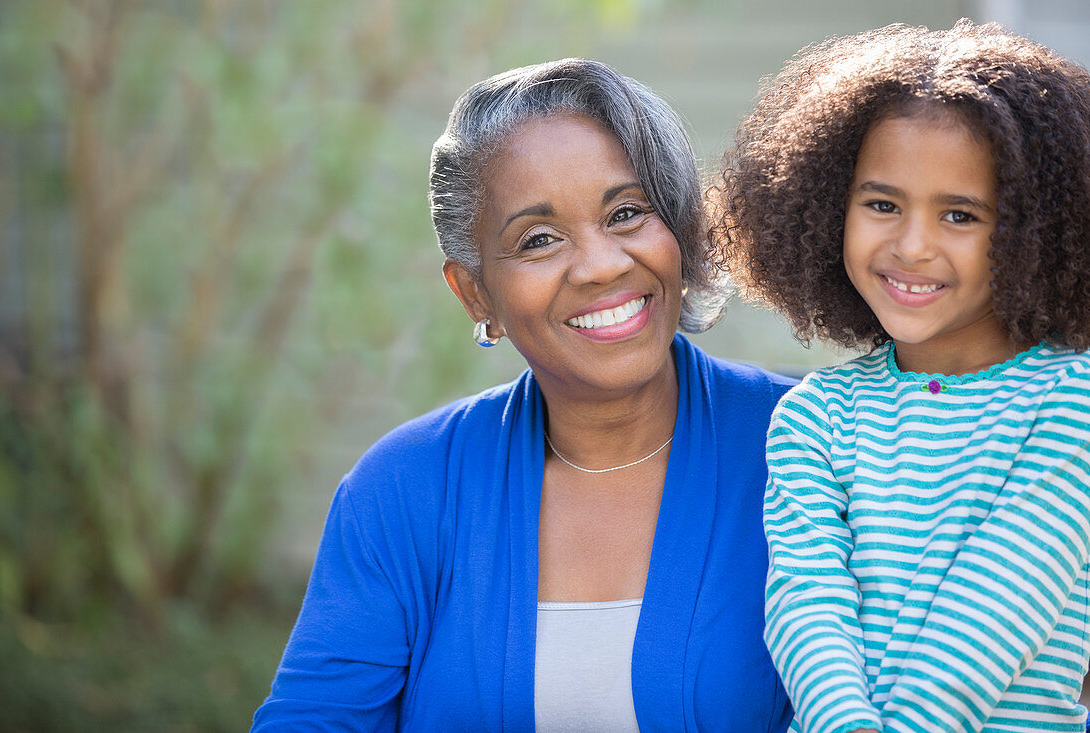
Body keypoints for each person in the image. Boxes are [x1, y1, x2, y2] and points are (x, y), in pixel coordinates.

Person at [251, 58, 795, 731]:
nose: (601, 264)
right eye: (539, 239)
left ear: (678, 231)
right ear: (477, 292)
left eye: (627, 212)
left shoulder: (816, 445)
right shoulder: (403, 490)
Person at [710, 19, 1090, 733]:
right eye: (882, 204)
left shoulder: (1074, 403)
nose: (912, 246)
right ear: (828, 209)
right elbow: (807, 605)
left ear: (1034, 231)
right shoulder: (818, 414)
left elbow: (991, 615)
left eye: (960, 214)